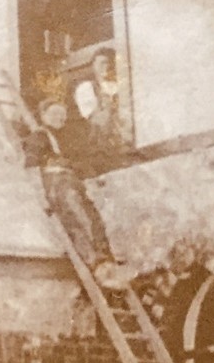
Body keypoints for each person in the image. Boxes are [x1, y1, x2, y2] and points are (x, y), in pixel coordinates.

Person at [22, 97, 132, 288]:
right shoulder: (39, 137)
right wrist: (42, 199)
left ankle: (107, 260)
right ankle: (97, 266)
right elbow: (32, 168)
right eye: (54, 114)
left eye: (62, 115)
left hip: (71, 184)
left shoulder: (63, 139)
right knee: (77, 217)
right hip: (56, 187)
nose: (59, 118)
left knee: (93, 218)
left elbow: (75, 165)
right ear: (43, 116)